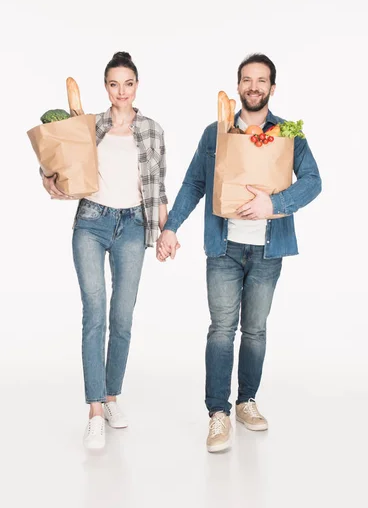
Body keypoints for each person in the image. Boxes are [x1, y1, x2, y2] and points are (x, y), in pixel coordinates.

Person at [157, 53, 322, 453]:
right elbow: (195, 182)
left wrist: (276, 204)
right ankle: (219, 413)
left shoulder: (288, 133)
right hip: (224, 246)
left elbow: (314, 182)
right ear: (238, 86)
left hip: (269, 248)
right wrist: (171, 226)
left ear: (272, 88)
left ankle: (246, 400)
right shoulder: (216, 133)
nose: (253, 87)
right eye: (247, 80)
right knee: (221, 330)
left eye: (261, 80)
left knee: (256, 330)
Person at [42, 52, 174, 450]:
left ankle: (112, 395)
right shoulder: (88, 125)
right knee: (94, 313)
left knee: (123, 317)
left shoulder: (152, 130)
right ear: (106, 87)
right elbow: (58, 160)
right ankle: (95, 409)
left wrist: (165, 232)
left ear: (137, 86)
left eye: (128, 83)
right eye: (114, 84)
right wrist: (48, 178)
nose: (121, 91)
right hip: (91, 223)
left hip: (133, 225)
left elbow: (158, 187)